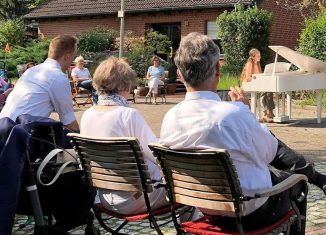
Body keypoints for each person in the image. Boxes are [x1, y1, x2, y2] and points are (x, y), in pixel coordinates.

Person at [159, 32, 326, 233]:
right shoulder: (232, 115)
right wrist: (245, 112)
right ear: (217, 69)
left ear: (179, 74)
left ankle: (316, 175)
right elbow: (270, 153)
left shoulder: (170, 118)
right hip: (251, 213)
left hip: (206, 209)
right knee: (297, 182)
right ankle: (314, 177)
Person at [80, 57, 169, 214]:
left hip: (104, 197)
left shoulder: (87, 115)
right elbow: (157, 155)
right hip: (139, 197)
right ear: (125, 85)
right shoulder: (128, 115)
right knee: (186, 190)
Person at [0, 35, 79, 132]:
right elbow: (69, 122)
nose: (74, 61)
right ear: (66, 57)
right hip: (17, 137)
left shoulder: (31, 71)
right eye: (74, 56)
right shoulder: (58, 77)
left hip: (3, 126)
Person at [240, 48, 275, 122]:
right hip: (248, 87)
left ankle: (270, 112)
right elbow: (247, 78)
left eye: (260, 55)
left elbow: (259, 76)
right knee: (263, 92)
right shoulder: (250, 64)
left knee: (269, 89)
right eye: (258, 56)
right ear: (253, 57)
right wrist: (256, 79)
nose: (260, 57)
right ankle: (265, 114)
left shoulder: (257, 64)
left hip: (256, 86)